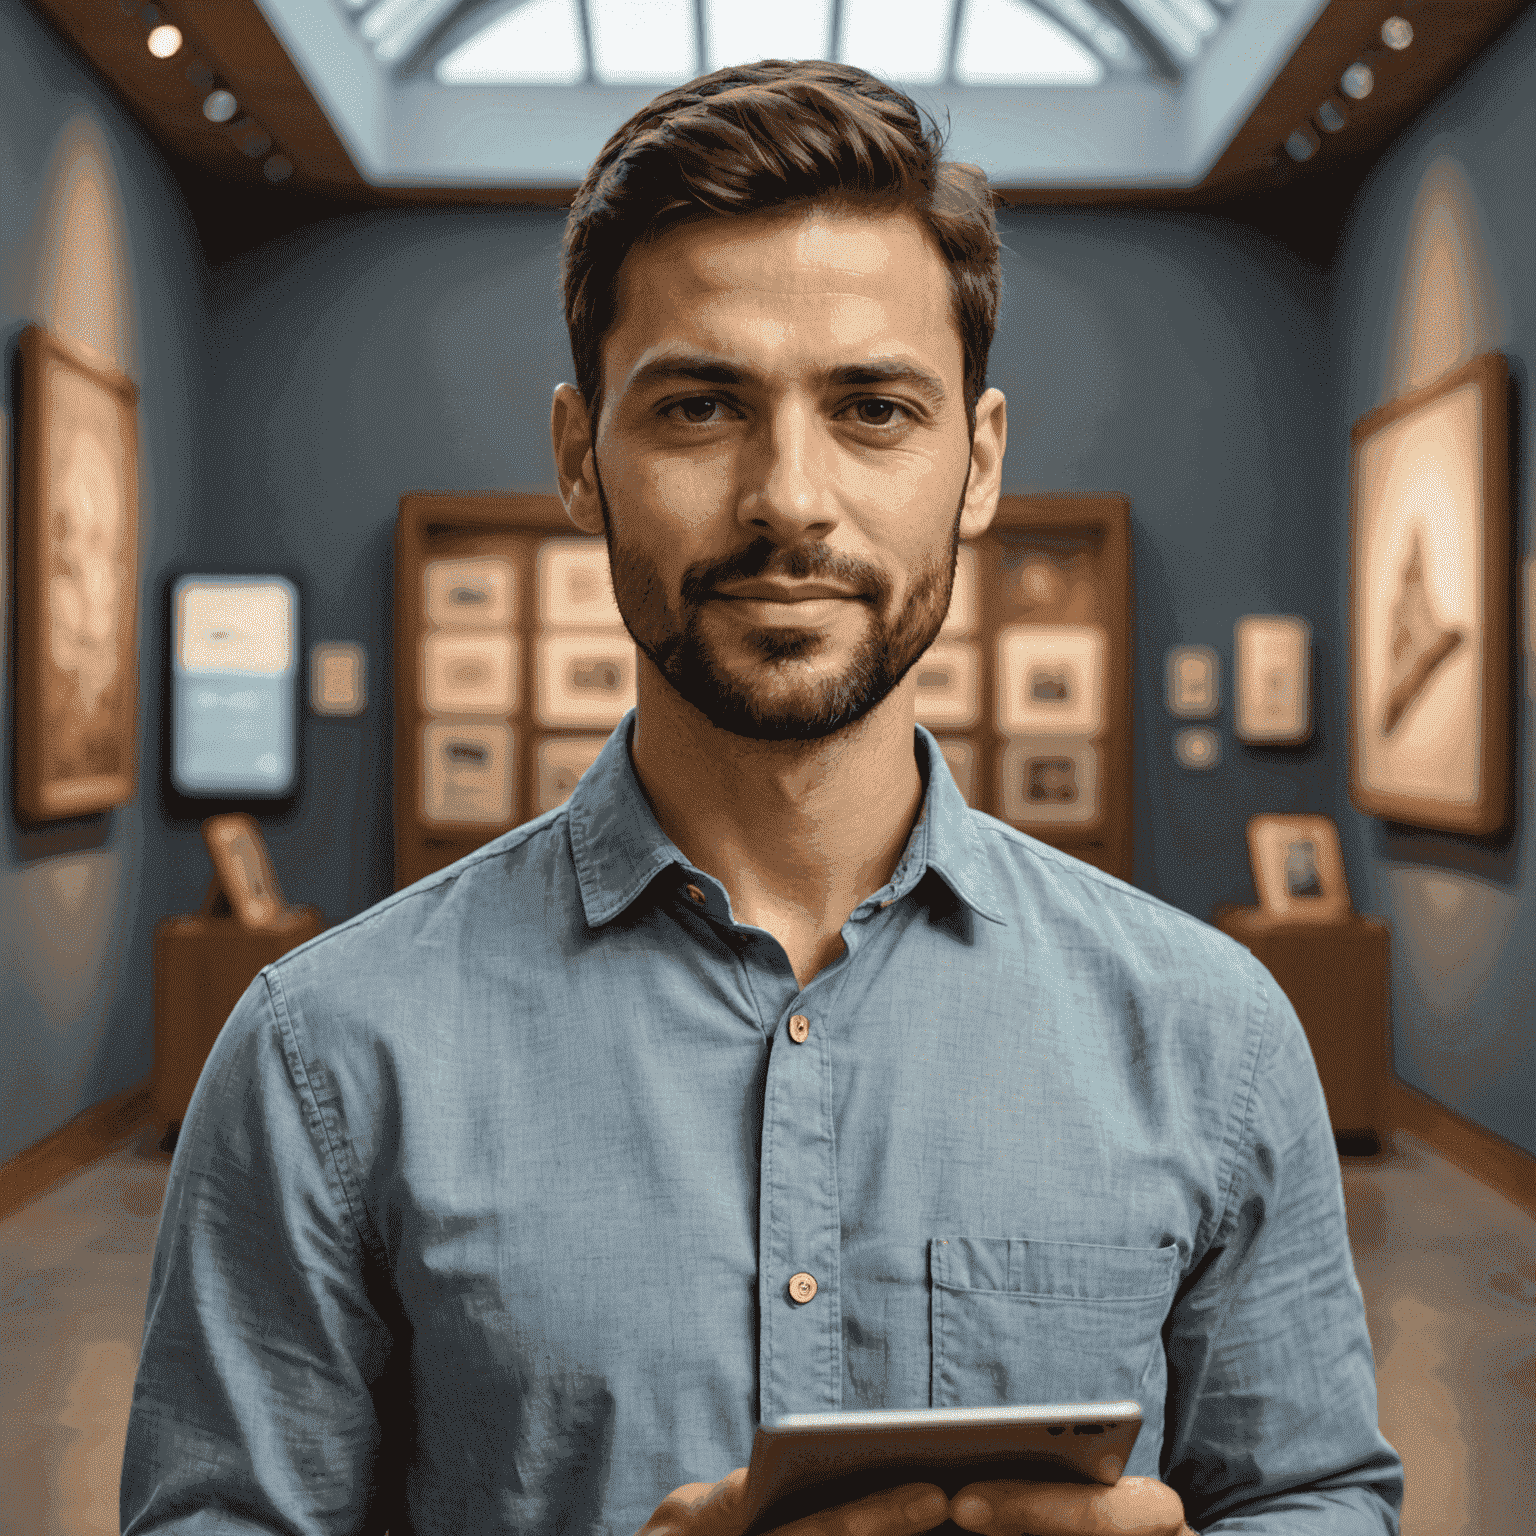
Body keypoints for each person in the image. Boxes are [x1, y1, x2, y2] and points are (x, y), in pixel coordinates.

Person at [121, 60, 1404, 1536]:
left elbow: (1315, 1497)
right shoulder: (326, 1062)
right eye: (698, 406)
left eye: (872, 408)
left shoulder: (1212, 1037)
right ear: (579, 461)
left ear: (977, 464)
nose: (789, 496)